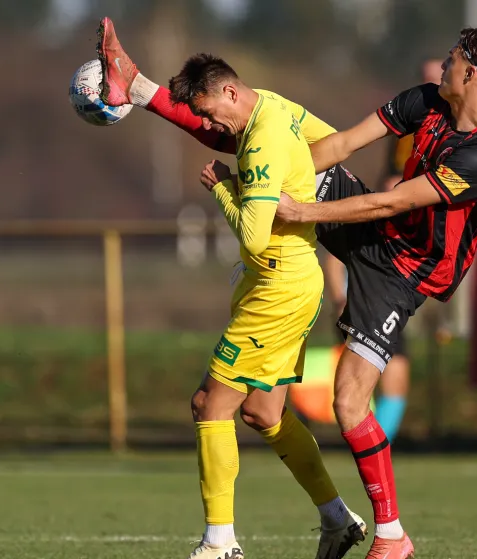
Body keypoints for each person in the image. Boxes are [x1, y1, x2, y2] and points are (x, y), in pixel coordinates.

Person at [96, 18, 477, 559]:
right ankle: (139, 89)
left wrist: (297, 206)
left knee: (348, 403)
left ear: (476, 76)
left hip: (406, 272)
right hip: (372, 229)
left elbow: (391, 201)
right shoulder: (426, 100)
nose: (444, 62)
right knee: (262, 411)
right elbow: (340, 143)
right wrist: (270, 172)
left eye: (455, 57)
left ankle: (391, 535)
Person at [97, 22, 366, 559]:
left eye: (212, 111)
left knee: (209, 404)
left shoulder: (261, 137)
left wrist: (225, 187)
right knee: (263, 413)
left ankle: (220, 543)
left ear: (229, 91)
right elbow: (319, 138)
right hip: (285, 281)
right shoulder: (268, 106)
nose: (211, 123)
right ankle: (338, 519)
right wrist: (143, 88)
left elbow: (252, 236)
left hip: (279, 286)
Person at [324, 58, 446, 443]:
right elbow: (346, 144)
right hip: (367, 287)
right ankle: (370, 447)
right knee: (351, 396)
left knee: (384, 380)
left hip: (396, 284)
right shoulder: (413, 116)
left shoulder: (465, 147)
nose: (436, 81)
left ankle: (378, 447)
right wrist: (338, 290)